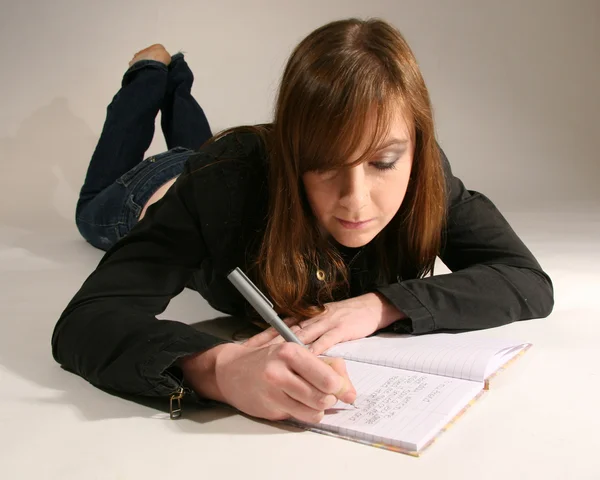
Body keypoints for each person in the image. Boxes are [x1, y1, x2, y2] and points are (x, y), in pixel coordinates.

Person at [52, 18, 554, 424]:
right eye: (324, 164)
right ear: (293, 157)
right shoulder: (224, 183)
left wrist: (382, 305)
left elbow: (526, 280)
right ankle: (150, 73)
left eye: (383, 163)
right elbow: (87, 320)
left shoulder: (425, 172)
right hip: (148, 193)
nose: (356, 202)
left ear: (415, 146)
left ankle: (178, 80)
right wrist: (218, 370)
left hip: (208, 159)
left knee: (194, 149)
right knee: (99, 201)